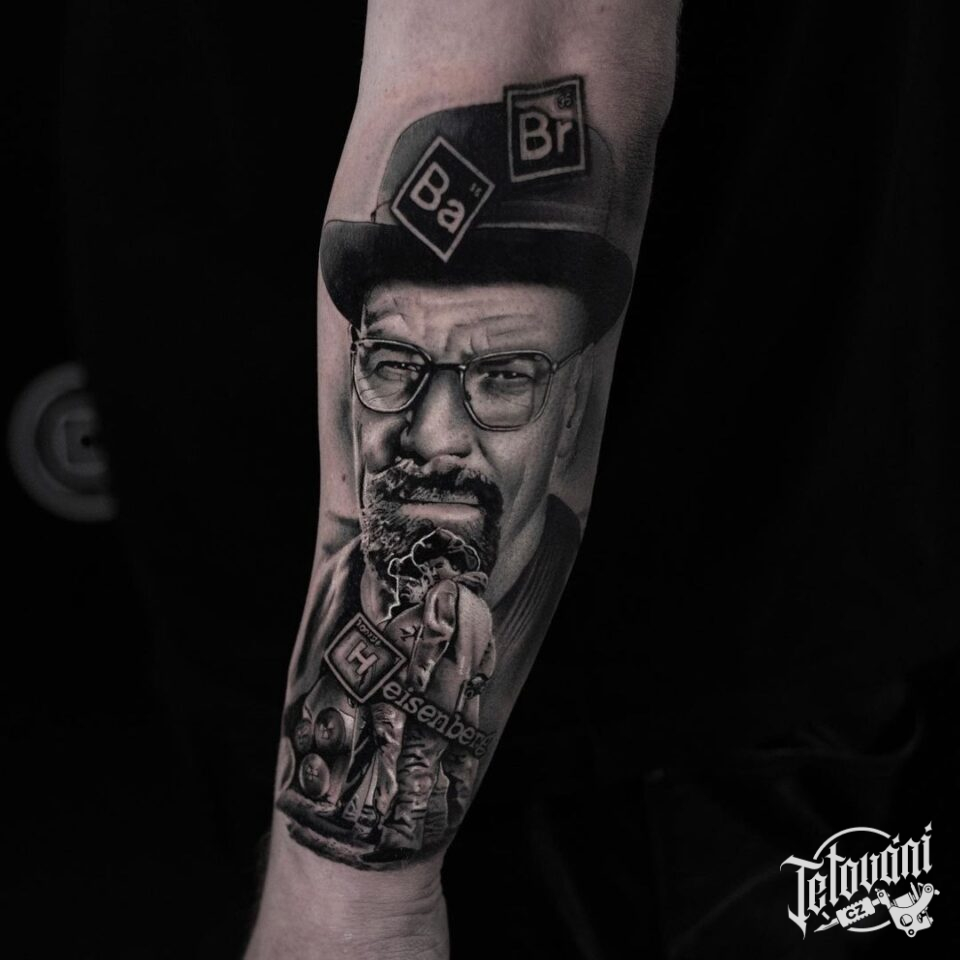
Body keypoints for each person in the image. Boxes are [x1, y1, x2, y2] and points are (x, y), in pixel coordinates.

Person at [247, 2, 679, 957]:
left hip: (621, 791)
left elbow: (546, 35)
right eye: (393, 364)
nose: (434, 436)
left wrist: (353, 905)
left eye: (504, 377)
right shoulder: (349, 582)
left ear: (569, 409)